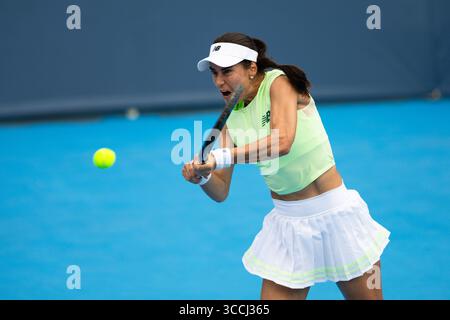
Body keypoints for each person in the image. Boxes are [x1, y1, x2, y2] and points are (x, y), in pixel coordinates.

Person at [181, 32, 390, 300]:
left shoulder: (280, 83)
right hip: (289, 228)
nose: (219, 81)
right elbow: (220, 191)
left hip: (337, 217)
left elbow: (282, 142)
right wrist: (203, 177)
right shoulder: (232, 118)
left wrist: (220, 157)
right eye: (214, 73)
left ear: (252, 68)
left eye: (227, 71)